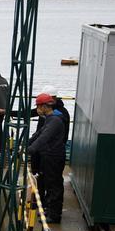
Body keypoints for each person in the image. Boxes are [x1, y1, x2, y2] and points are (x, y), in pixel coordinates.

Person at [27, 93, 67, 223]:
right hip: (48, 155)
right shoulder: (50, 118)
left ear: (44, 106)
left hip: (54, 157)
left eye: (38, 106)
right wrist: (27, 143)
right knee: (48, 183)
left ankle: (55, 215)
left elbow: (45, 137)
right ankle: (49, 209)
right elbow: (39, 133)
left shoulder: (55, 120)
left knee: (54, 185)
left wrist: (31, 149)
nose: (37, 110)